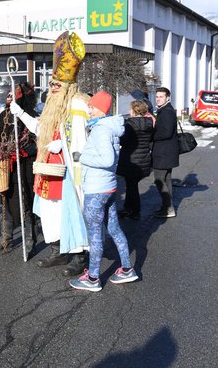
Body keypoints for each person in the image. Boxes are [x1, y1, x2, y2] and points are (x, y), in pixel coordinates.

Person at [9, 31, 90, 270]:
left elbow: (82, 142)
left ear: (68, 85)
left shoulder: (77, 104)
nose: (53, 88)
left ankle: (79, 255)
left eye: (57, 84)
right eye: (52, 84)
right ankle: (58, 249)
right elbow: (39, 128)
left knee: (74, 210)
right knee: (50, 211)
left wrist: (63, 147)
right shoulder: (51, 106)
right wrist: (21, 113)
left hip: (71, 170)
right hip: (47, 168)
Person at [69, 91, 139, 292]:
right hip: (108, 187)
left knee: (95, 236)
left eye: (91, 107)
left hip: (96, 190)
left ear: (100, 108)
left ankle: (92, 279)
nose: (88, 110)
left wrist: (81, 157)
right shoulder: (110, 128)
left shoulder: (100, 130)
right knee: (114, 229)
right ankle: (127, 268)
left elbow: (107, 160)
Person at [0, 82, 38, 259]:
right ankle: (6, 239)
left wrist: (24, 151)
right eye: (8, 96)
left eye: (13, 96)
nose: (9, 98)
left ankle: (30, 240)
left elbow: (36, 140)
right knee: (6, 200)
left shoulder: (31, 115)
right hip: (6, 165)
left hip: (24, 166)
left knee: (25, 203)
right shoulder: (4, 115)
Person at [117, 100, 154, 220]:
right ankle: (129, 208)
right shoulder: (149, 123)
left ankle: (134, 211)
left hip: (132, 160)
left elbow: (123, 141)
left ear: (134, 110)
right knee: (132, 185)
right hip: (143, 158)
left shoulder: (130, 124)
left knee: (131, 186)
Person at [152, 87, 179, 218]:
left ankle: (168, 208)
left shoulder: (166, 111)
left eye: (161, 97)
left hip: (164, 153)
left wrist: (152, 135)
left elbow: (166, 132)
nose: (158, 99)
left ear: (167, 97)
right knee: (166, 180)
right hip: (166, 152)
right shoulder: (165, 110)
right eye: (157, 96)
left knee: (159, 180)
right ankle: (167, 207)